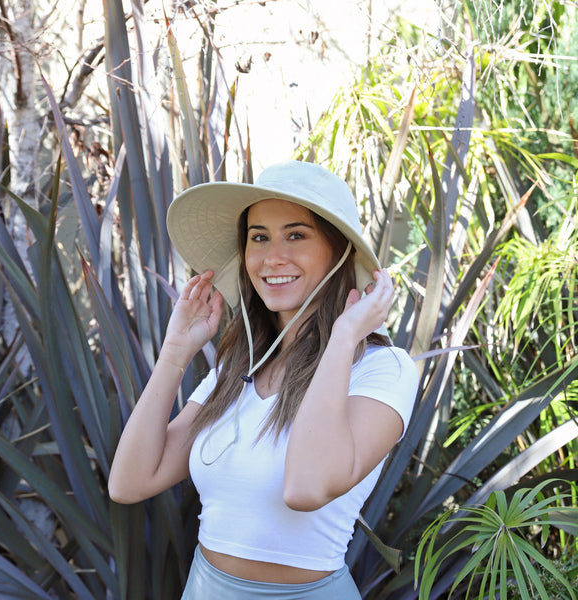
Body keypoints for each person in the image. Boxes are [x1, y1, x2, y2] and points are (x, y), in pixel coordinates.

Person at [108, 160, 419, 599]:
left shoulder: (382, 369)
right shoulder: (236, 369)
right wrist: (175, 352)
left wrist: (344, 335)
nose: (272, 257)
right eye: (259, 237)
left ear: (340, 251)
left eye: (296, 235)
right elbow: (130, 482)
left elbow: (305, 489)